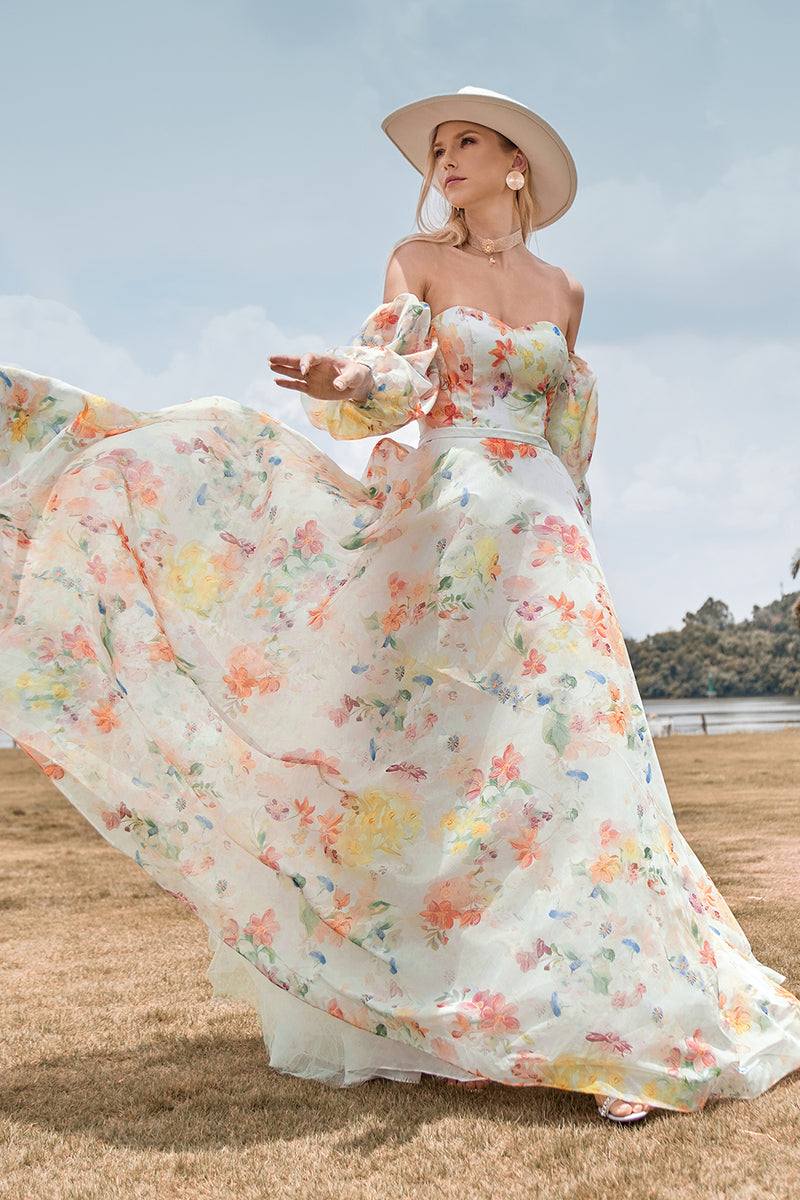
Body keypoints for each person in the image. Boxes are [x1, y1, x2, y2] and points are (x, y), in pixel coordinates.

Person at [1, 87, 799, 1127]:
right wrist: (340, 377)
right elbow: (389, 378)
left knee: (584, 762)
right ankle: (450, 1004)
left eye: (466, 141)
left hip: (547, 539)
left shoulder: (563, 289)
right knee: (442, 764)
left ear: (516, 162)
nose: (444, 159)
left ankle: (621, 1021)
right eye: (436, 148)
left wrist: (569, 524)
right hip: (448, 527)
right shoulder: (417, 260)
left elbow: (567, 428)